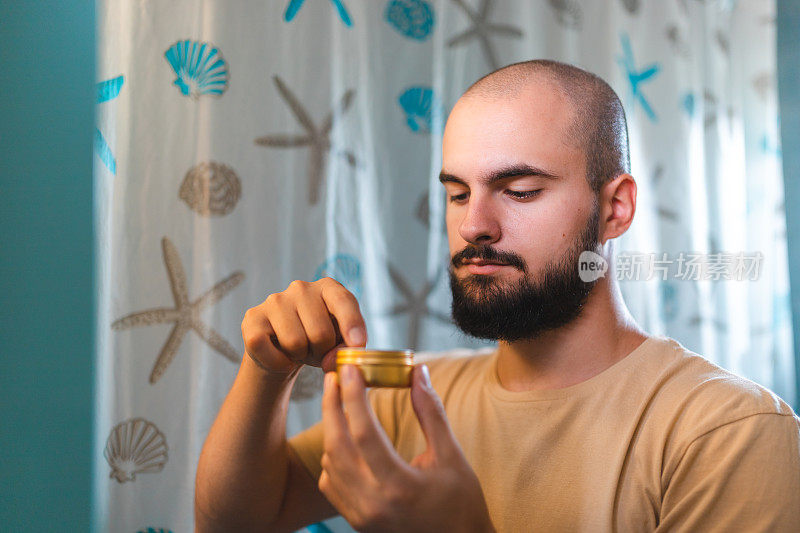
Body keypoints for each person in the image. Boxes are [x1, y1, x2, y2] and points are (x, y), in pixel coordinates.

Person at [194, 60, 800, 532]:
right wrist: (265, 370)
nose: (473, 224)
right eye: (458, 193)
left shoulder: (728, 434)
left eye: (520, 190)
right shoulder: (413, 397)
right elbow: (240, 520)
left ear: (616, 208)